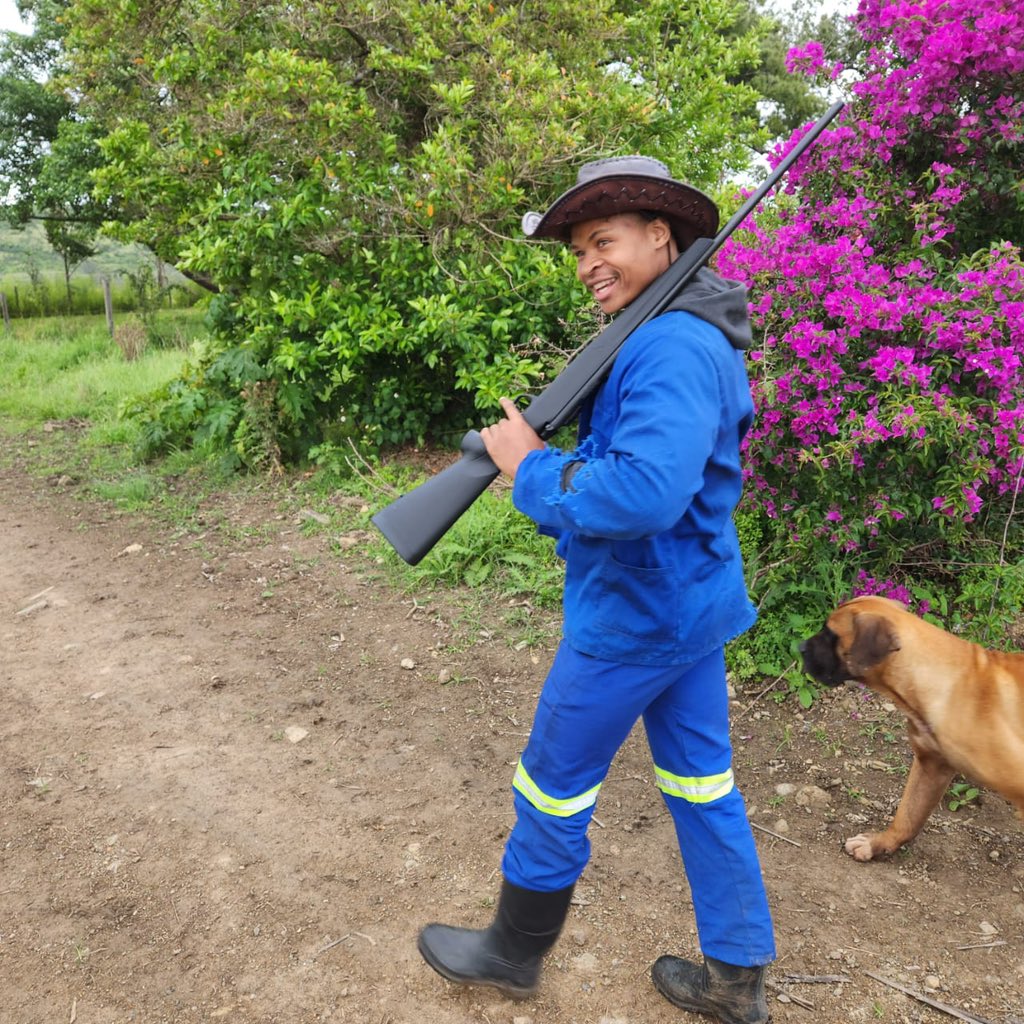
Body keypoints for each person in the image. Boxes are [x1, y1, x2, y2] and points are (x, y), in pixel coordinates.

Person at [417, 155, 776, 1024]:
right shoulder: (682, 329)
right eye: (579, 250)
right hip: (687, 606)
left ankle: (511, 953)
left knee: (552, 784)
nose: (587, 264)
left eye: (603, 241)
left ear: (662, 238)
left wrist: (533, 470)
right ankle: (736, 980)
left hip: (634, 617)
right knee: (702, 788)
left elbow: (642, 492)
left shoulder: (669, 344)